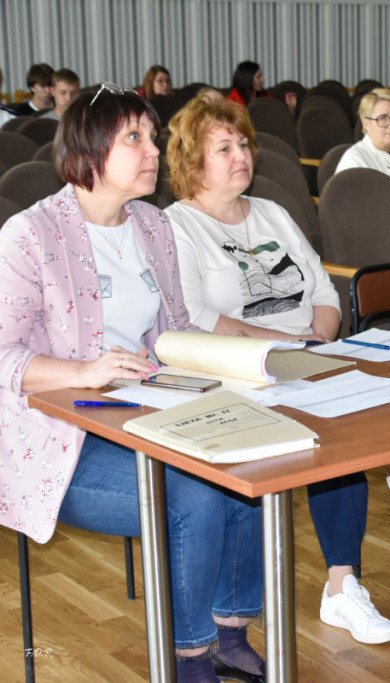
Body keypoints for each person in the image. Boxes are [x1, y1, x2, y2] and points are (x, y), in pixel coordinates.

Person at [164, 97, 390, 645]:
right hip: (237, 365)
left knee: (366, 393)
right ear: (191, 161)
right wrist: (286, 345)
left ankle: (346, 581)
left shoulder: (272, 212)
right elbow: (196, 316)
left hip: (310, 353)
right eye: (224, 148)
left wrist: (319, 341)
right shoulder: (178, 225)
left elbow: (324, 290)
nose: (241, 156)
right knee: (329, 423)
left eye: (244, 144)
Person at [0, 84, 265, 683]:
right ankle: (188, 657)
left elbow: (174, 329)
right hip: (59, 435)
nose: (154, 151)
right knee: (194, 497)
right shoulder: (30, 234)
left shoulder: (151, 224)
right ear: (90, 150)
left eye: (152, 136)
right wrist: (85, 371)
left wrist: (248, 363)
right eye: (135, 138)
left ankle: (230, 632)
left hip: (142, 410)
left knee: (246, 466)